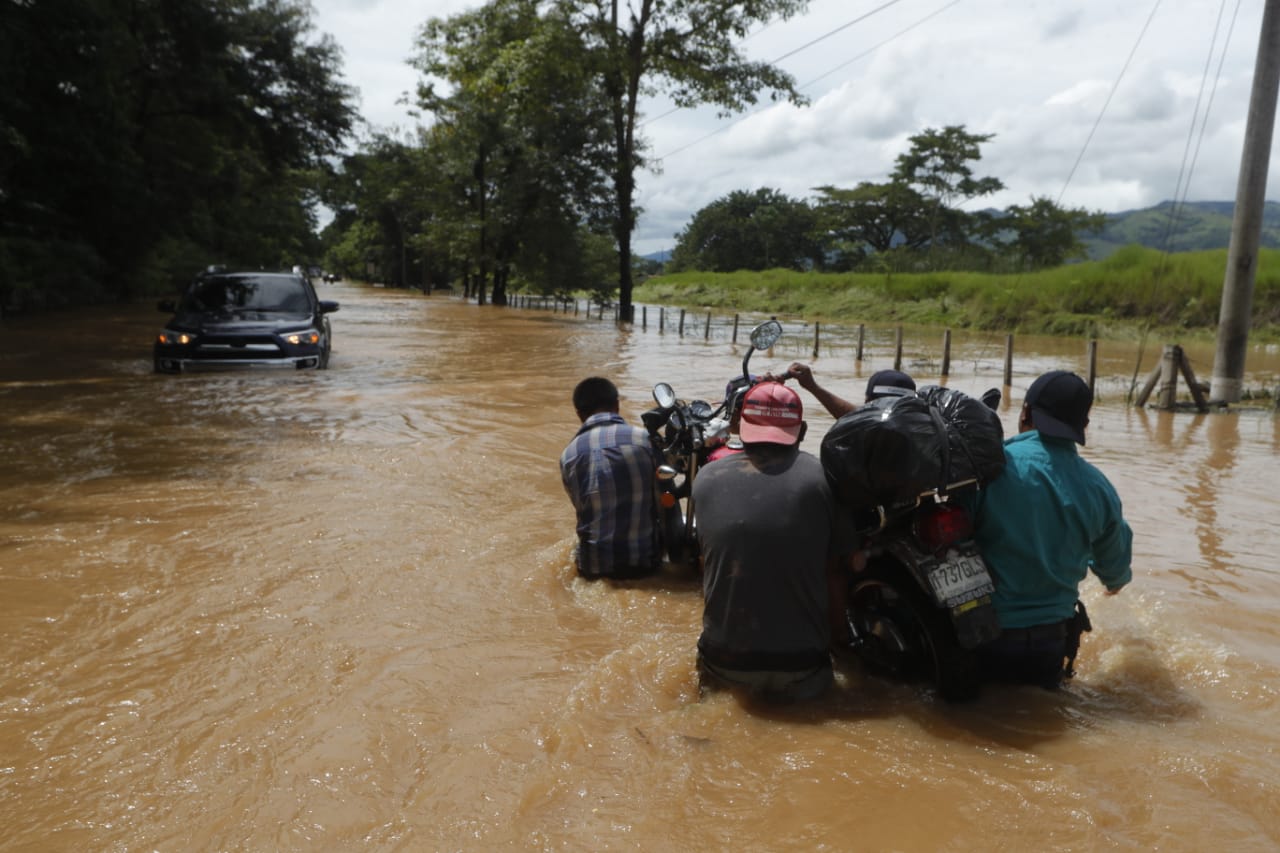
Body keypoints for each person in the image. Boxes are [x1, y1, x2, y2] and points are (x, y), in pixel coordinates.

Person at [692, 381, 858, 702]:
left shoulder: (705, 479)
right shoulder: (826, 481)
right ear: (803, 430)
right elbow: (835, 575)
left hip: (724, 662)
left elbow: (709, 566)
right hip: (802, 667)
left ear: (739, 426)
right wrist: (842, 643)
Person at [969, 370, 1133, 689]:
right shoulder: (1100, 488)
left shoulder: (990, 467)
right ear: (1083, 427)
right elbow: (1116, 568)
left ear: (1026, 412)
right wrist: (1113, 583)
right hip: (1052, 641)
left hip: (983, 633)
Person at [560, 377, 662, 579]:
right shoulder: (644, 440)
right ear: (617, 404)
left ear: (579, 414)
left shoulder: (569, 455)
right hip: (645, 563)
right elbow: (663, 494)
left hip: (593, 568)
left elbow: (581, 507)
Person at [781, 363, 917, 418]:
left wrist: (813, 387)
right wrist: (812, 387)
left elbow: (858, 416)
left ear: (867, 401)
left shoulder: (862, 432)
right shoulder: (930, 433)